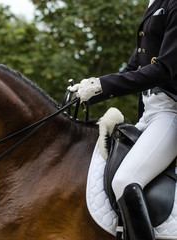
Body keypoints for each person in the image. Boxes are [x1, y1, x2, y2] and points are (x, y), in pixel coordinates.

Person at [69, 0, 177, 239]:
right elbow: (133, 69)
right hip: (149, 113)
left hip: (171, 113)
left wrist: (102, 85)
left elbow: (165, 69)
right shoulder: (155, 3)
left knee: (126, 180)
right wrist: (93, 89)